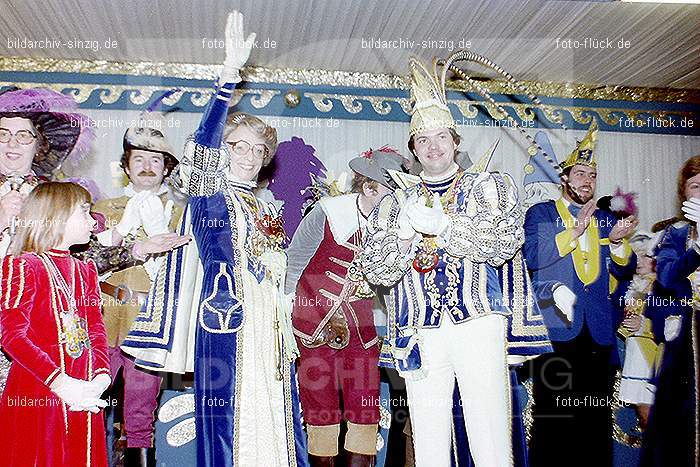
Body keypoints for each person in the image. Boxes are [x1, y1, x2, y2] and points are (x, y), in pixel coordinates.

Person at [123, 11, 308, 466]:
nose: (247, 155)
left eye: (256, 149)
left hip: (270, 321)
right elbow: (203, 145)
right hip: (225, 319)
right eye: (236, 145)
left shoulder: (264, 206)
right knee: (227, 420)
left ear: (266, 159)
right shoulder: (210, 191)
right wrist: (227, 79)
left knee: (277, 404)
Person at [360, 55, 550, 467]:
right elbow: (375, 269)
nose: (433, 146)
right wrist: (404, 239)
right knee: (428, 439)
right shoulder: (393, 203)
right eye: (423, 139)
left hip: (478, 324)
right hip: (421, 330)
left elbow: (505, 241)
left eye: (441, 137)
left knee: (490, 435)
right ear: (413, 148)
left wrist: (447, 228)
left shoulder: (488, 186)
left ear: (455, 140)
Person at [524, 121, 638, 466]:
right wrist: (572, 232)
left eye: (592, 175)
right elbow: (533, 257)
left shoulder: (605, 218)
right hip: (558, 332)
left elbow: (623, 270)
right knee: (553, 422)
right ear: (564, 179)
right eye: (580, 174)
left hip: (599, 336)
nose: (587, 180)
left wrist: (618, 243)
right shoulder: (541, 213)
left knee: (595, 422)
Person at [285, 147, 403, 466]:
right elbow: (295, 261)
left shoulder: (396, 226)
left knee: (365, 405)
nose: (397, 202)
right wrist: (285, 316)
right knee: (320, 406)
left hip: (362, 328)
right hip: (312, 320)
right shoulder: (327, 212)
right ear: (369, 187)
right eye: (391, 192)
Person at [92, 109, 187, 466]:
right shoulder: (102, 209)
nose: (147, 166)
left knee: (140, 414)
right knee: (90, 403)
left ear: (166, 168)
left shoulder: (181, 213)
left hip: (151, 322)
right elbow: (86, 259)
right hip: (101, 321)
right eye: (139, 159)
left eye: (155, 160)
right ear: (126, 166)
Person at [0, 181, 110, 466]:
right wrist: (60, 383)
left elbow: (95, 328)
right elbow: (11, 336)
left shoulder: (85, 269)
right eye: (84, 213)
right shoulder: (24, 265)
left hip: (84, 392)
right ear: (56, 217)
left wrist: (100, 377)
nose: (92, 221)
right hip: (39, 389)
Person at [640, 154, 700, 467]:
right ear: (684, 194)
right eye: (695, 186)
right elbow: (666, 276)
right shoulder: (676, 234)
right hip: (687, 347)